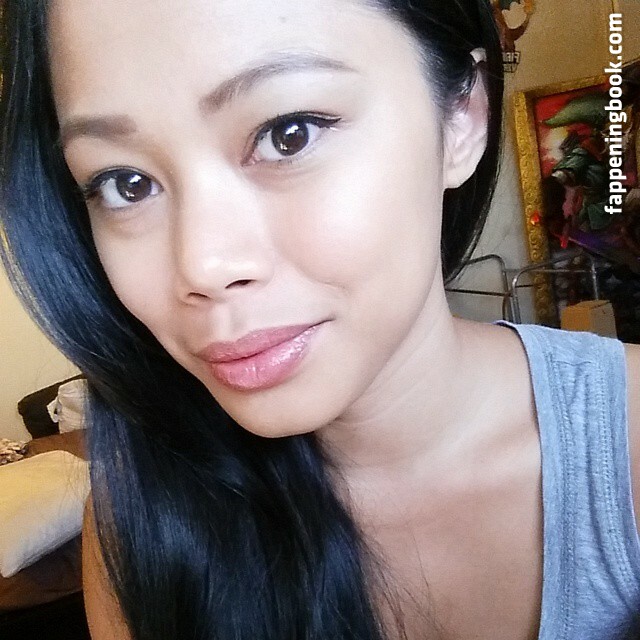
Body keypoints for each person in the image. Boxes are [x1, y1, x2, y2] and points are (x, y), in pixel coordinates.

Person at [0, 1, 639, 638]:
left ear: (461, 119)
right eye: (125, 184)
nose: (203, 267)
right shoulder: (140, 521)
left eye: (289, 134)